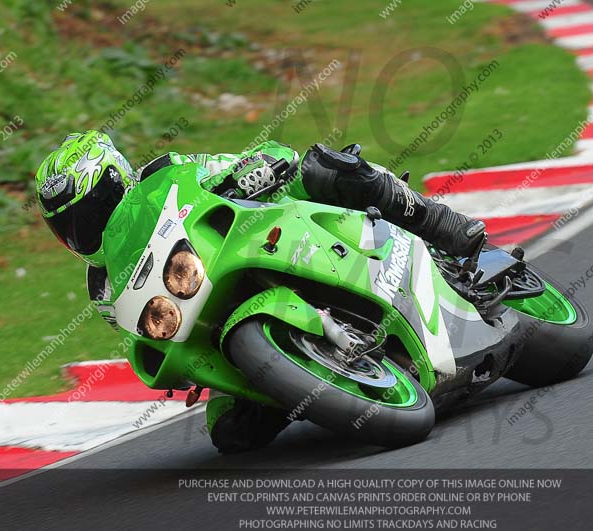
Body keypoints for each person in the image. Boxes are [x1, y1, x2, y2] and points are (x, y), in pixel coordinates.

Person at [35, 130, 486, 452]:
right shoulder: (102, 288)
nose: (82, 231)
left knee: (325, 167)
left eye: (89, 212)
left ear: (117, 180)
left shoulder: (167, 174)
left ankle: (438, 223)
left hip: (259, 235)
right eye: (69, 227)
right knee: (230, 435)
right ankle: (315, 382)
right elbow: (143, 335)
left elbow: (233, 164)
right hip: (212, 326)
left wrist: (253, 170)